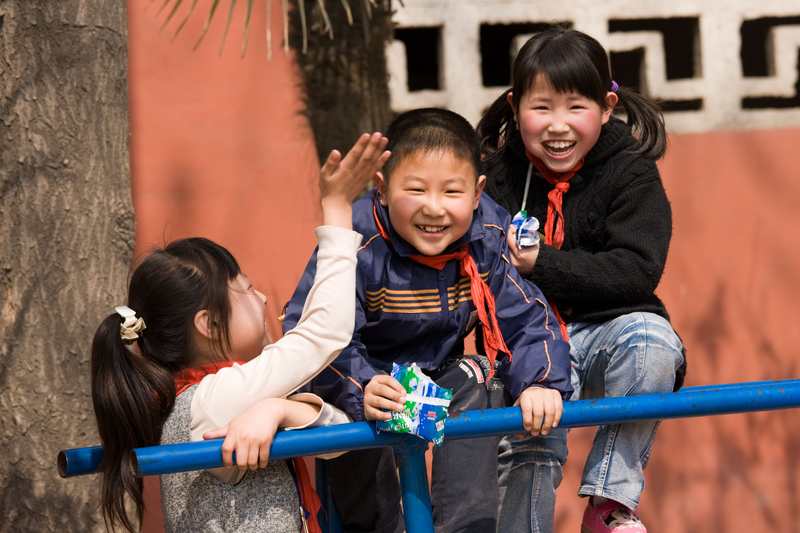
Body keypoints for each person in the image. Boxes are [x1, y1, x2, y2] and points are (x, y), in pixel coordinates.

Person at [281, 108, 573, 533]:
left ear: (476, 194)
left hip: (440, 371)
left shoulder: (487, 234)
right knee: (356, 436)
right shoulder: (357, 238)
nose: (434, 209)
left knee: (478, 378)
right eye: (415, 189)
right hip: (364, 380)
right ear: (381, 189)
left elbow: (526, 314)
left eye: (451, 192)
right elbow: (311, 330)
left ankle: (466, 527)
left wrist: (541, 381)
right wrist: (361, 388)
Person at [90, 133, 391, 533]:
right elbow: (322, 334)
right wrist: (336, 210)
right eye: (247, 288)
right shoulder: (213, 400)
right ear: (210, 325)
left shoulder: (224, 396)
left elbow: (340, 438)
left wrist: (281, 409)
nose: (264, 297)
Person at [476, 27, 687, 533]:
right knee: (530, 435)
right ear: (514, 105)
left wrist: (540, 264)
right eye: (541, 107)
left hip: (606, 337)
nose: (558, 126)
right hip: (527, 340)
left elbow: (637, 270)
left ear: (607, 105)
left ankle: (608, 504)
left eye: (576, 107)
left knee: (653, 342)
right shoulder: (494, 178)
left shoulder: (631, 173)